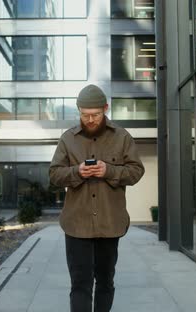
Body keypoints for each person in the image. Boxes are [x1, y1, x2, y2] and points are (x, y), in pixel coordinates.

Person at [49, 84, 145, 312]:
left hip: (110, 223)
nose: (90, 120)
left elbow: (136, 171)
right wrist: (77, 172)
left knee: (105, 281)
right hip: (76, 224)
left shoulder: (122, 137)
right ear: (78, 111)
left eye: (95, 115)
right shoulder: (67, 139)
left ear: (106, 108)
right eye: (85, 115)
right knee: (80, 284)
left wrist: (109, 171)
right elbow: (53, 174)